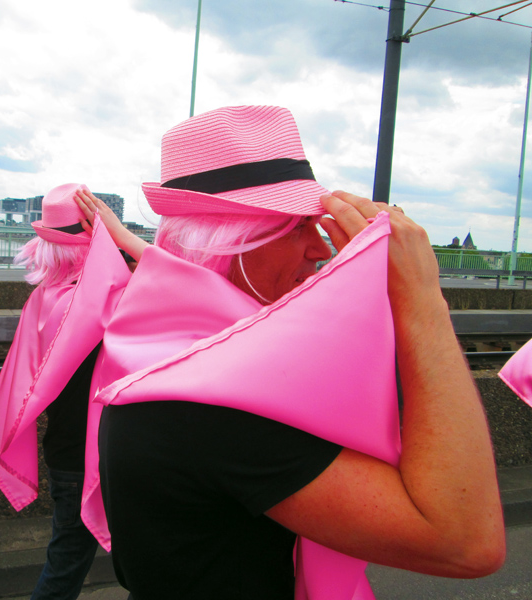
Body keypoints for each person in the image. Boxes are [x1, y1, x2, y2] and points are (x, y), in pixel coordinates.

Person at [76, 106, 505, 600]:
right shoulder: (216, 402)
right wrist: (423, 303)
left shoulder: (163, 351)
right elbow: (465, 542)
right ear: (231, 243)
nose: (322, 250)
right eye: (298, 226)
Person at [0, 183, 147, 600]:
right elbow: (188, 281)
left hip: (66, 454)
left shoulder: (43, 300)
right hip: (115, 454)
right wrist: (123, 239)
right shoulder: (117, 301)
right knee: (139, 564)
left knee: (65, 562)